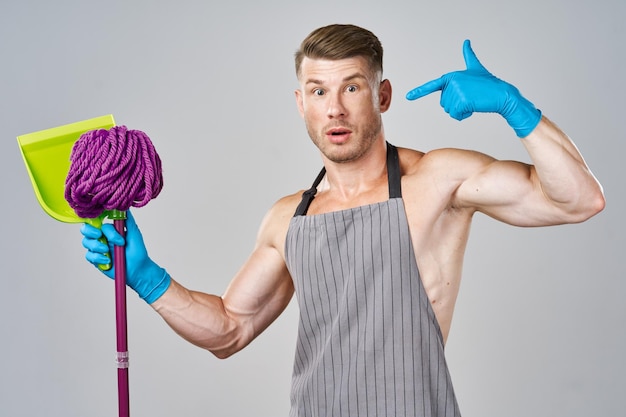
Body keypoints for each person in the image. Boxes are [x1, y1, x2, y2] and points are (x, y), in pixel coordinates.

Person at [81, 24, 605, 417]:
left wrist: (516, 108)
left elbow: (578, 200)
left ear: (382, 96)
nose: (335, 109)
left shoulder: (438, 180)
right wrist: (147, 280)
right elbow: (229, 331)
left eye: (351, 88)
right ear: (300, 103)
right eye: (318, 91)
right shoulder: (288, 217)